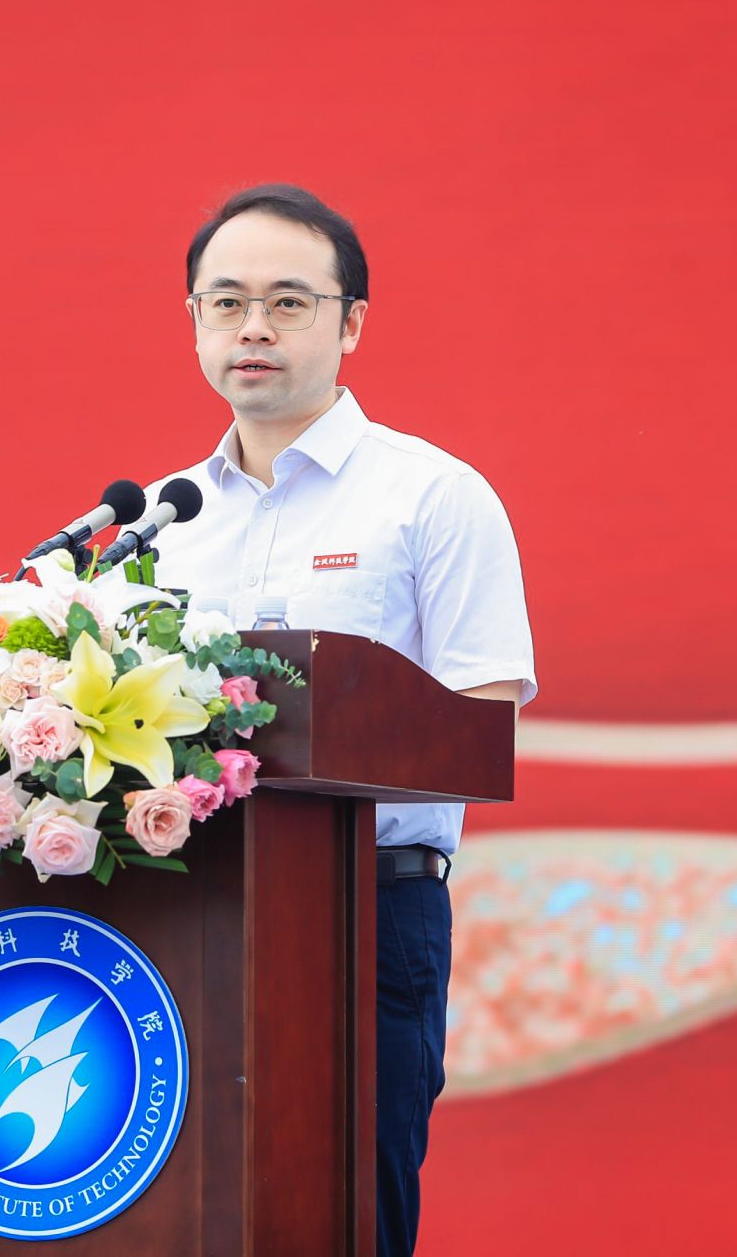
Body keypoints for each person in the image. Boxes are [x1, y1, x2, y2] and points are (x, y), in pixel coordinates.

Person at [147, 184, 537, 1257]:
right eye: (226, 303)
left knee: (339, 1219)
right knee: (179, 1216)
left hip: (364, 913)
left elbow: (479, 728)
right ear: (194, 322)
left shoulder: (432, 497)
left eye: (287, 302)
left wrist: (309, 717)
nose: (253, 329)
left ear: (350, 322)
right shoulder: (159, 524)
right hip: (178, 912)